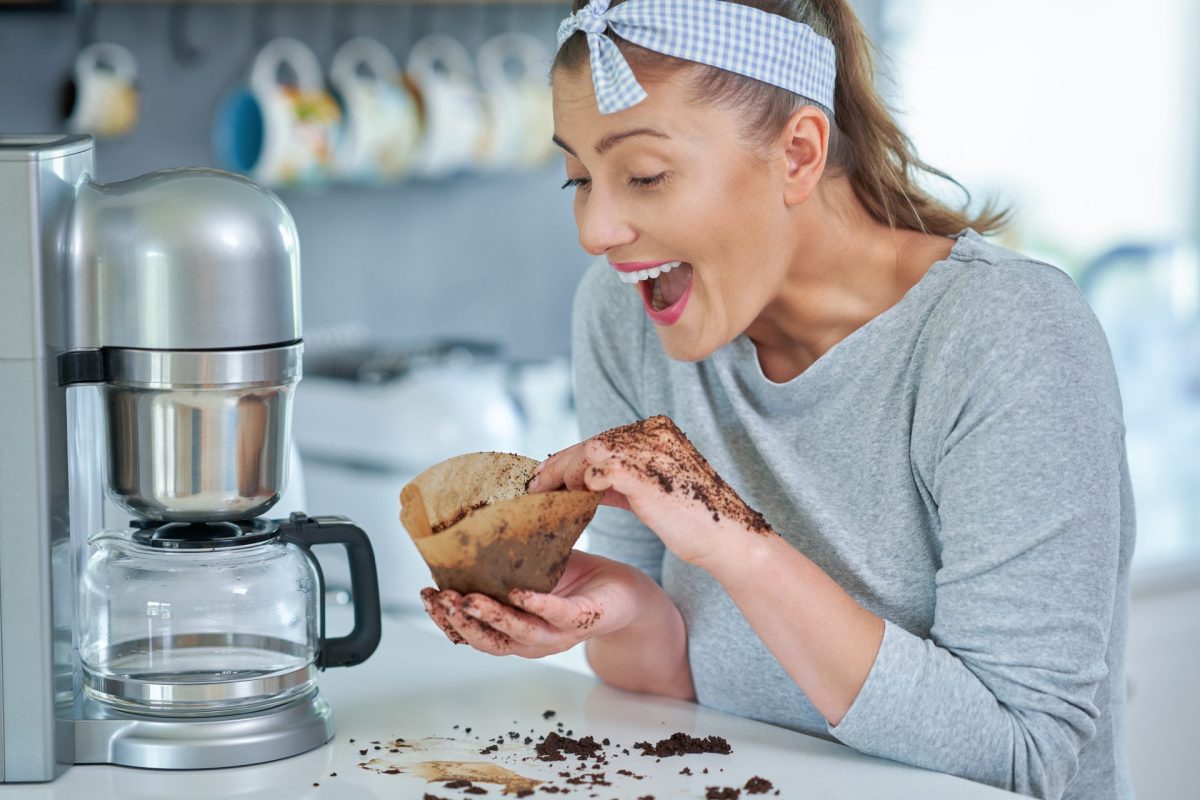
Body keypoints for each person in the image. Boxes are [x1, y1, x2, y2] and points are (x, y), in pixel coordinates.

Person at [420, 2, 1135, 798]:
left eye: (645, 175)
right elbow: (664, 696)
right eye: (580, 179)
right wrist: (625, 609)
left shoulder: (1003, 336)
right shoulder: (624, 314)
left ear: (798, 153)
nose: (596, 229)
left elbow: (1024, 758)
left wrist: (737, 545)